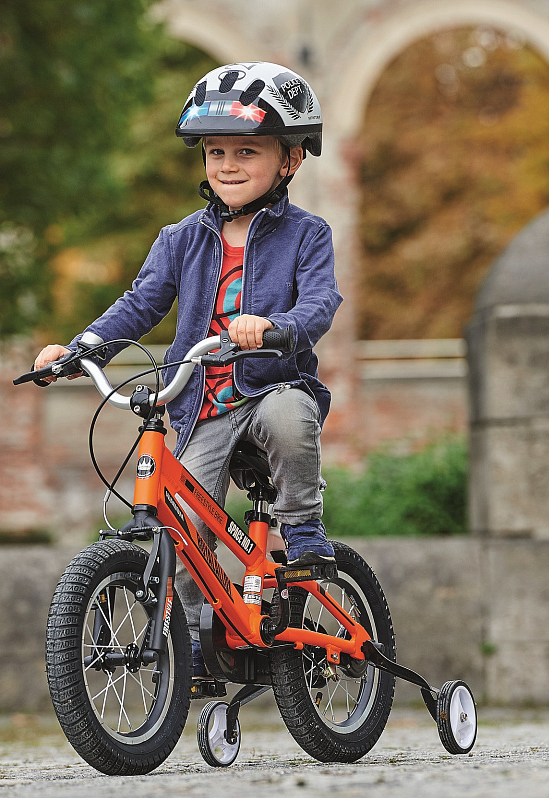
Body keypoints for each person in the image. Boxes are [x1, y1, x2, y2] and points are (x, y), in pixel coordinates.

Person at [33, 62, 340, 676]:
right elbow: (140, 303)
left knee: (288, 417)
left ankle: (304, 529)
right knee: (183, 529)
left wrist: (274, 326)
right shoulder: (180, 239)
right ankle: (201, 640)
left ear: (289, 159)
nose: (227, 165)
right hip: (202, 404)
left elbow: (319, 302)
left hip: (271, 384)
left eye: (247, 151)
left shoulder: (308, 235)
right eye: (215, 151)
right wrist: (82, 347)